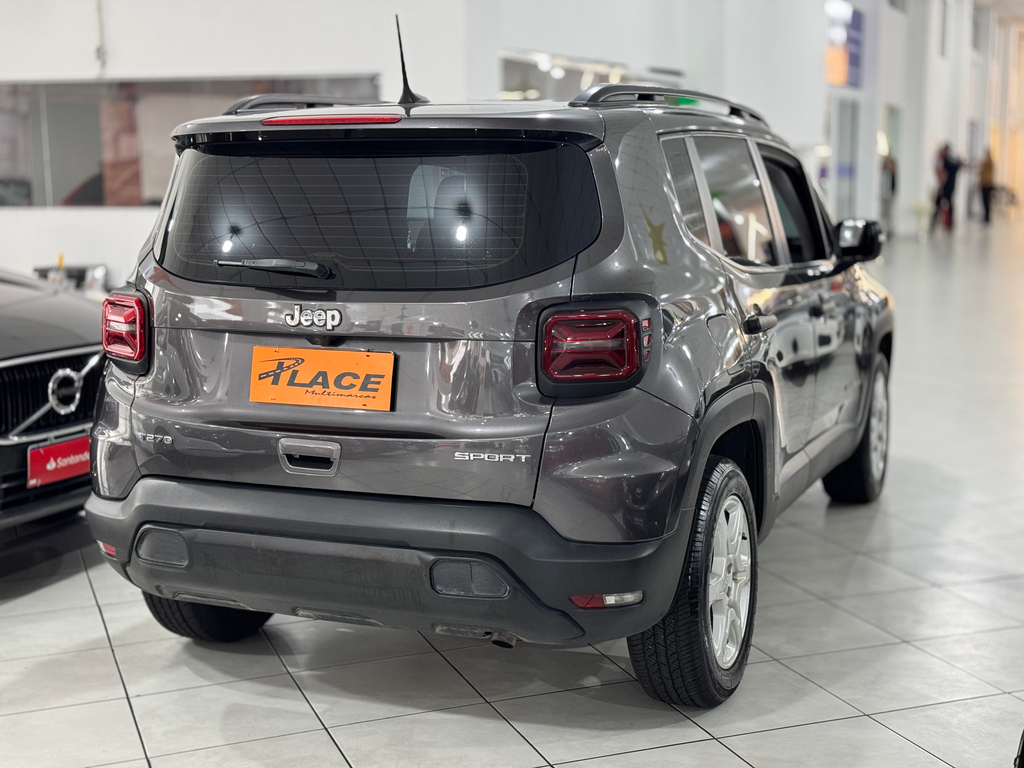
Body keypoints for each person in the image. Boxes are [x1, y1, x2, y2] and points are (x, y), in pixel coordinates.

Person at [931, 143, 962, 232]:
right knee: (947, 204)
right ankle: (949, 224)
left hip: (946, 187)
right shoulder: (952, 161)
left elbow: (944, 174)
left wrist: (941, 186)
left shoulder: (946, 161)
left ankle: (936, 223)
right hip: (950, 186)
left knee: (938, 204)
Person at [880, 154, 897, 236]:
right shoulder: (885, 173)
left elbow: (892, 188)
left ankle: (890, 230)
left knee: (888, 214)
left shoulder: (891, 175)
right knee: (884, 214)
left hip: (889, 196)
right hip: (884, 196)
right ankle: (885, 229)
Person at [979, 148, 995, 224]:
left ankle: (987, 217)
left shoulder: (989, 162)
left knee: (986, 201)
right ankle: (986, 216)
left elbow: (981, 164)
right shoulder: (987, 162)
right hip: (985, 184)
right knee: (985, 201)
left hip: (987, 184)